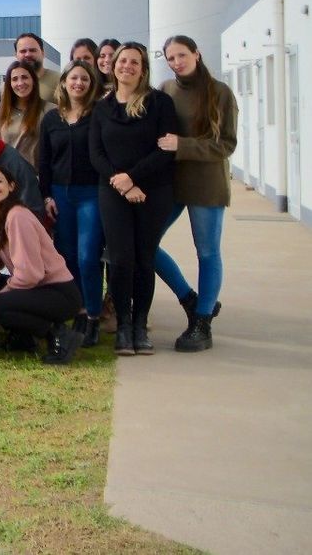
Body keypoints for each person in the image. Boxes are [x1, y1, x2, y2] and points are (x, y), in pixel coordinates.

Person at [88, 41, 178, 356]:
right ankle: (123, 326)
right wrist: (124, 184)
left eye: (134, 62)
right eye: (122, 61)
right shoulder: (102, 108)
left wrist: (134, 178)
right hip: (112, 191)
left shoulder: (160, 103)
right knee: (121, 259)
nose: (127, 66)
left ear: (143, 69)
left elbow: (165, 150)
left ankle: (141, 326)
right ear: (113, 67)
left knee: (144, 259)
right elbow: (96, 154)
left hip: (155, 191)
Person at [153, 35, 238, 352]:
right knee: (145, 244)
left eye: (181, 55)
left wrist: (182, 145)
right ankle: (191, 298)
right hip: (170, 182)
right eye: (170, 57)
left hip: (206, 183)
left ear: (196, 54)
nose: (176, 62)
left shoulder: (219, 92)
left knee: (207, 253)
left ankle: (202, 323)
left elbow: (226, 144)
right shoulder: (165, 89)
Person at [0, 164, 85, 365]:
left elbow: (30, 274)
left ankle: (58, 335)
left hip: (58, 293)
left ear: (12, 186)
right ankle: (22, 338)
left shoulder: (17, 216)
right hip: (38, 288)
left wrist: (1, 295)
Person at [38, 60, 103, 345]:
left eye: (85, 80)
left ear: (91, 85)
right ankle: (76, 311)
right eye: (74, 78)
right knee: (68, 257)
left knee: (88, 257)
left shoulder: (99, 115)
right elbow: (44, 160)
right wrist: (46, 195)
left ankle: (93, 315)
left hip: (91, 193)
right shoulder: (52, 118)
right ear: (63, 82)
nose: (79, 83)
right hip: (60, 193)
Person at [0, 61, 53, 167]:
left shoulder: (50, 110)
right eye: (14, 79)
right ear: (9, 83)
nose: (20, 83)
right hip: (7, 177)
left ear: (33, 80)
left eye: (25, 77)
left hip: (37, 177)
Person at [14, 32, 62, 104]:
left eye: (32, 50)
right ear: (16, 55)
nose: (28, 54)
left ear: (43, 53)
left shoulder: (60, 80)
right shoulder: (7, 87)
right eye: (23, 51)